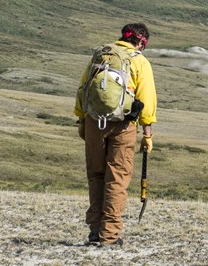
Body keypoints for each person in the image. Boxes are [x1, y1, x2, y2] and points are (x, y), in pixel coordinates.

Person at [73, 23, 157, 247]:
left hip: (93, 121)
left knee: (96, 176)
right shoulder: (139, 60)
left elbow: (82, 88)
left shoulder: (101, 54)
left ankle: (94, 232)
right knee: (117, 179)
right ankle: (109, 236)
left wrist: (82, 119)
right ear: (141, 42)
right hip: (123, 126)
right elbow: (147, 100)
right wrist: (147, 134)